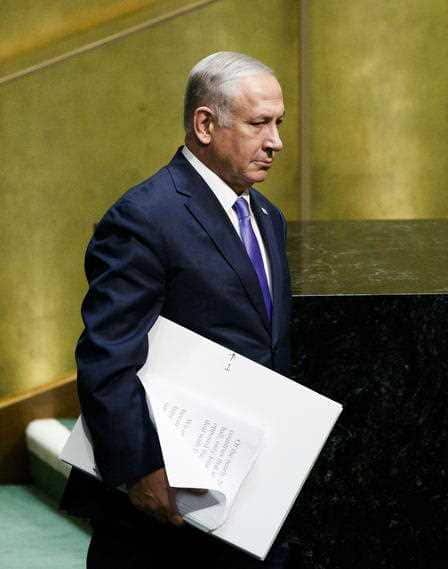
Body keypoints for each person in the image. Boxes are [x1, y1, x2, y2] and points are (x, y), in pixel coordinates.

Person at [60, 51, 293, 568]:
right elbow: (106, 358)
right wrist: (140, 469)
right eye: (260, 124)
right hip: (162, 506)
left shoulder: (267, 217)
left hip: (244, 497)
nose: (276, 141)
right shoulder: (143, 218)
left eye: (278, 123)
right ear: (205, 124)